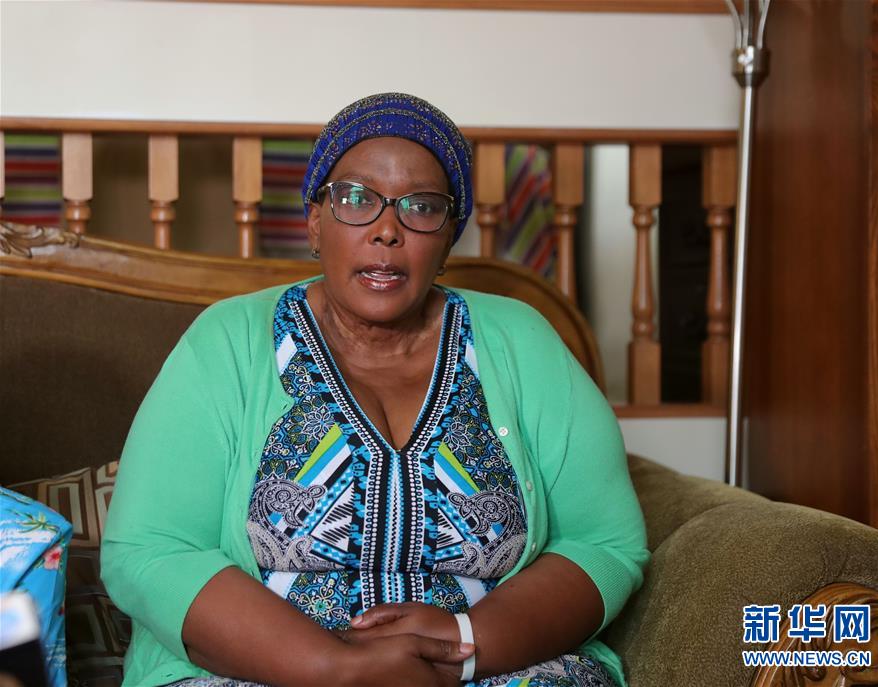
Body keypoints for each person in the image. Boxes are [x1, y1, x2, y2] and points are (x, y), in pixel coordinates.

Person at [101, 93, 649, 687]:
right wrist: (338, 668)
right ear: (316, 221)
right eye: (357, 199)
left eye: (421, 207)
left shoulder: (523, 343)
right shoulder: (227, 343)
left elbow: (603, 542)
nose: (387, 230)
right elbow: (152, 548)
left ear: (448, 238)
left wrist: (465, 644)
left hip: (485, 670)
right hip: (260, 674)